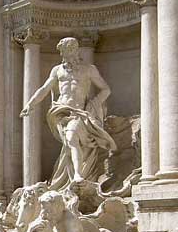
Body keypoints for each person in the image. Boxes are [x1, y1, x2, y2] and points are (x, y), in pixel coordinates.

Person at [21, 37, 116, 190]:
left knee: (72, 138)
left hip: (79, 111)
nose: (68, 54)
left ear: (77, 50)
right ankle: (69, 177)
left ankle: (77, 175)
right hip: (60, 112)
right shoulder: (57, 70)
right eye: (65, 51)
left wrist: (94, 104)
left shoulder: (89, 69)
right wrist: (30, 104)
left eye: (71, 49)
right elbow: (44, 89)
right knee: (69, 143)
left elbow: (106, 89)